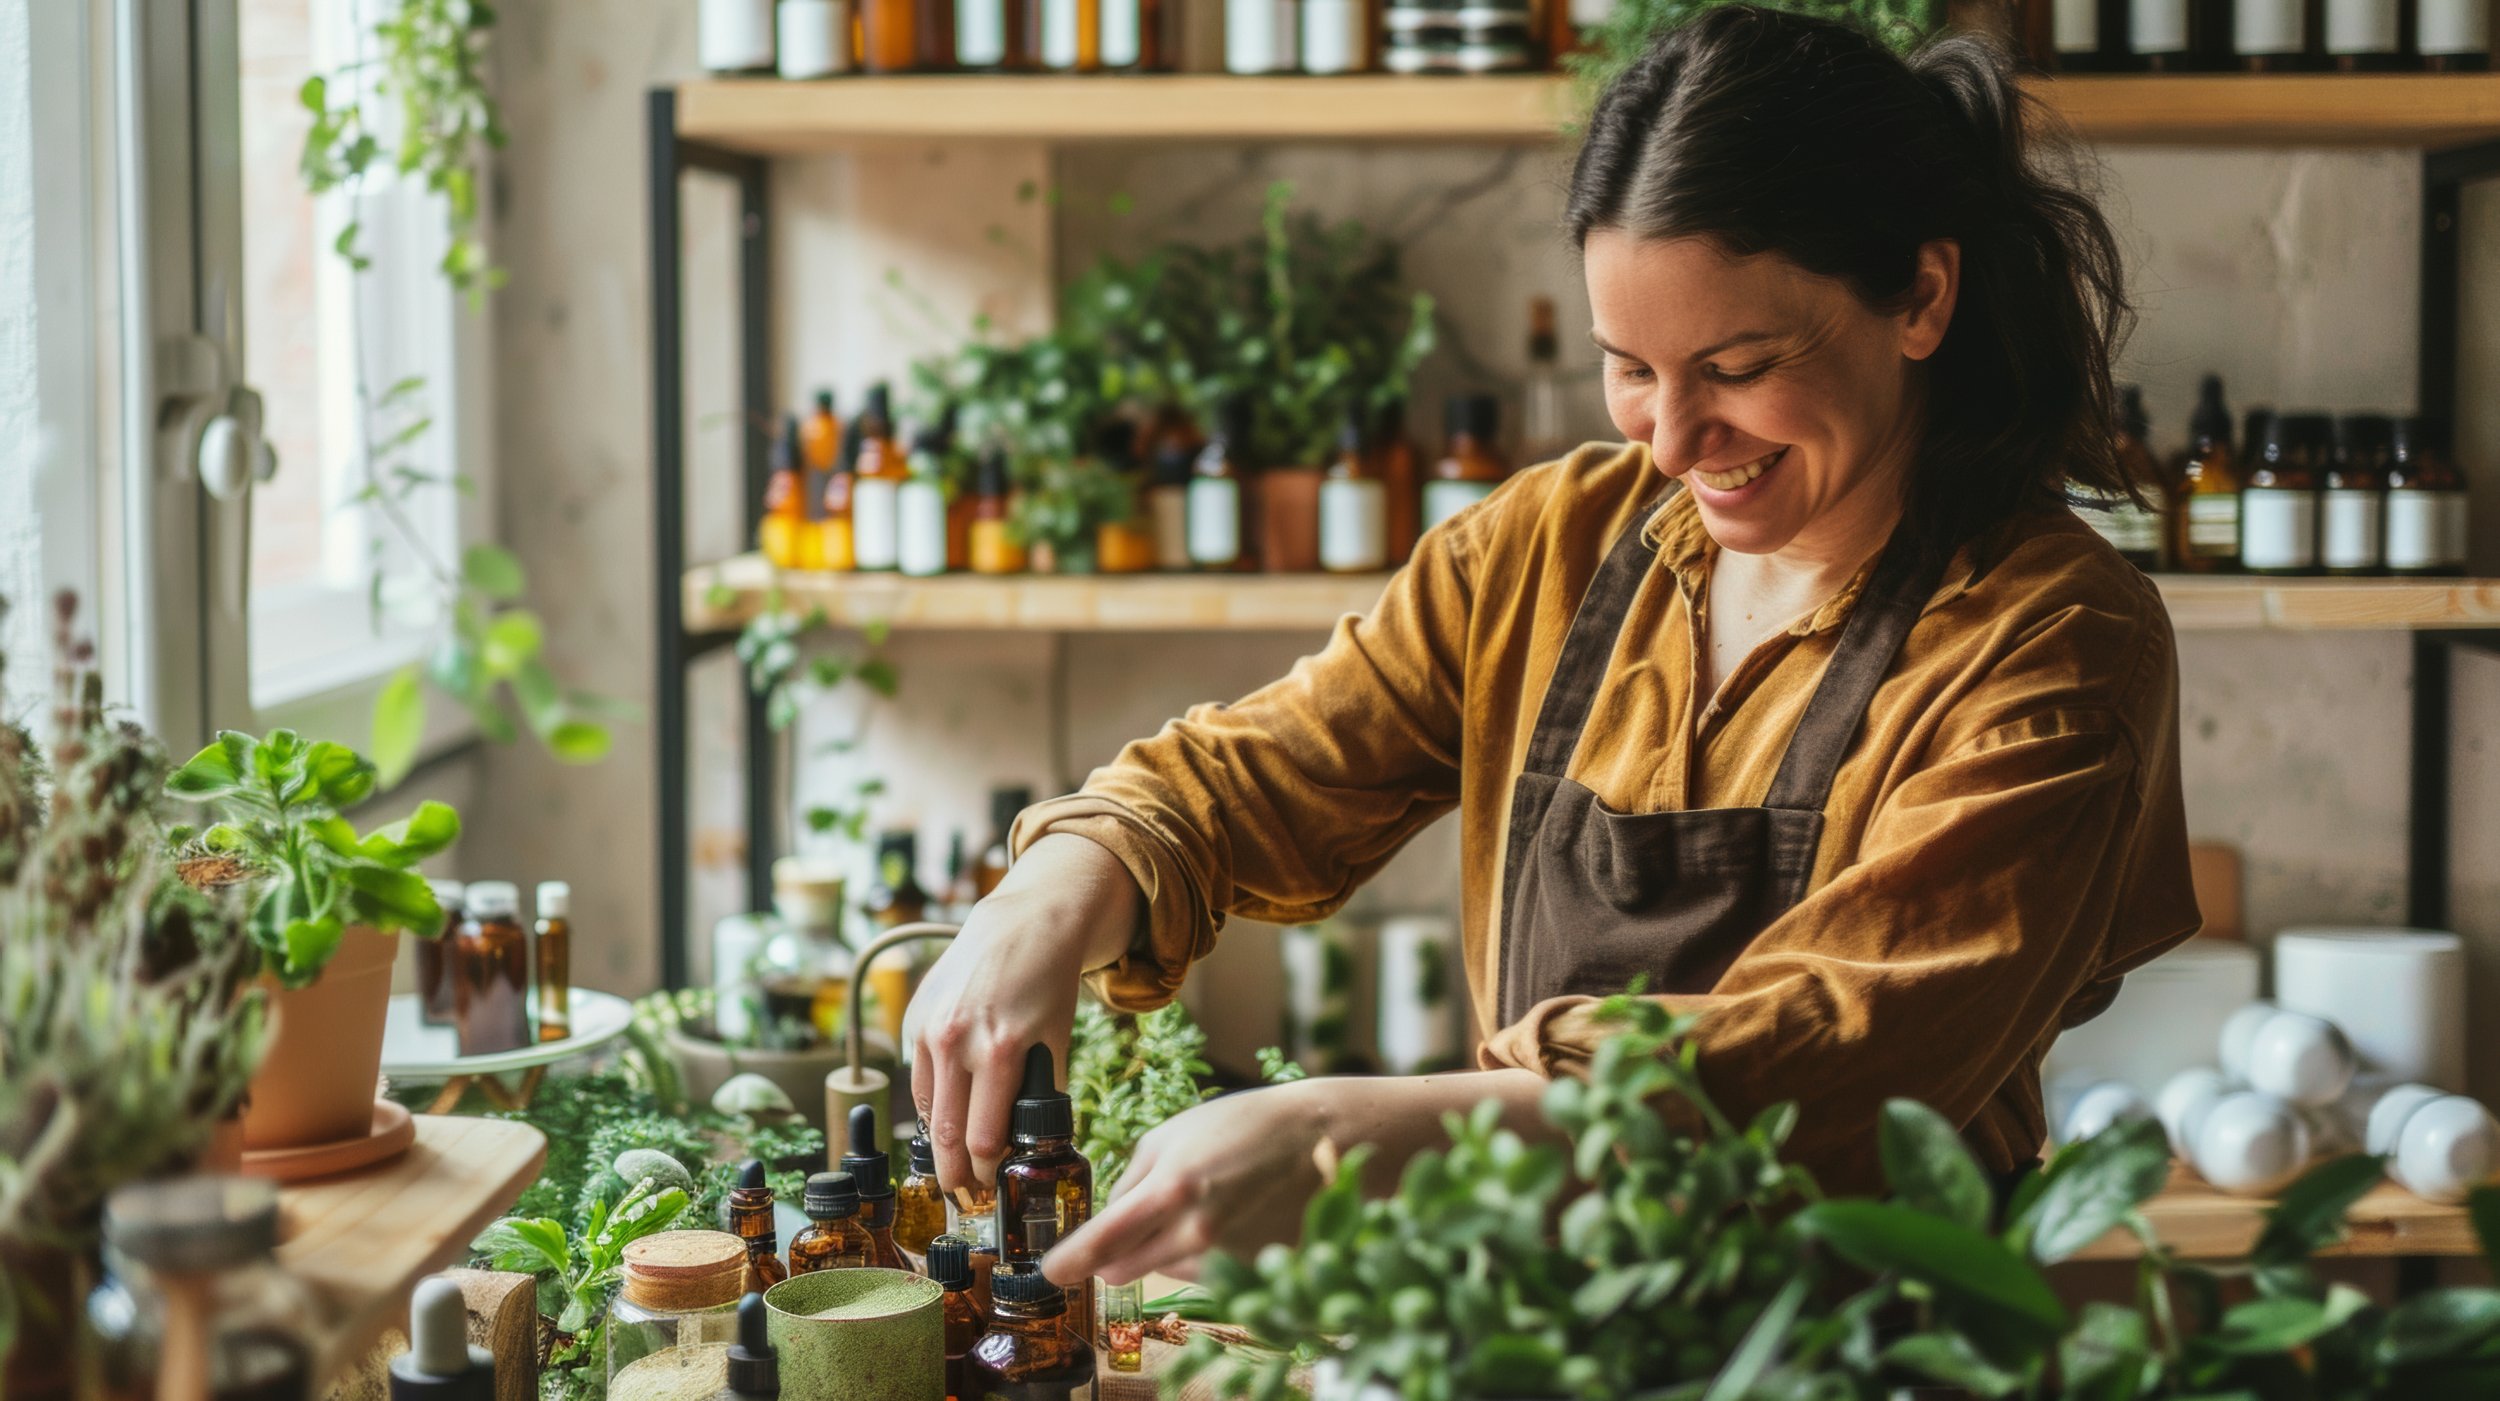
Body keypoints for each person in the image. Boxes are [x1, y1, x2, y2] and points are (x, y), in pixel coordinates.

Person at [907, 5, 2200, 1289]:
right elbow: (1266, 771)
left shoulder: (2052, 644)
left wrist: (1337, 1136)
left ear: (1921, 295)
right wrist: (1056, 883)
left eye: (1736, 365)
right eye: (1629, 366)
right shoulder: (1555, 541)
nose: (1671, 441)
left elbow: (1829, 1061)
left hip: (1867, 1349)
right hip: (1541, 1320)